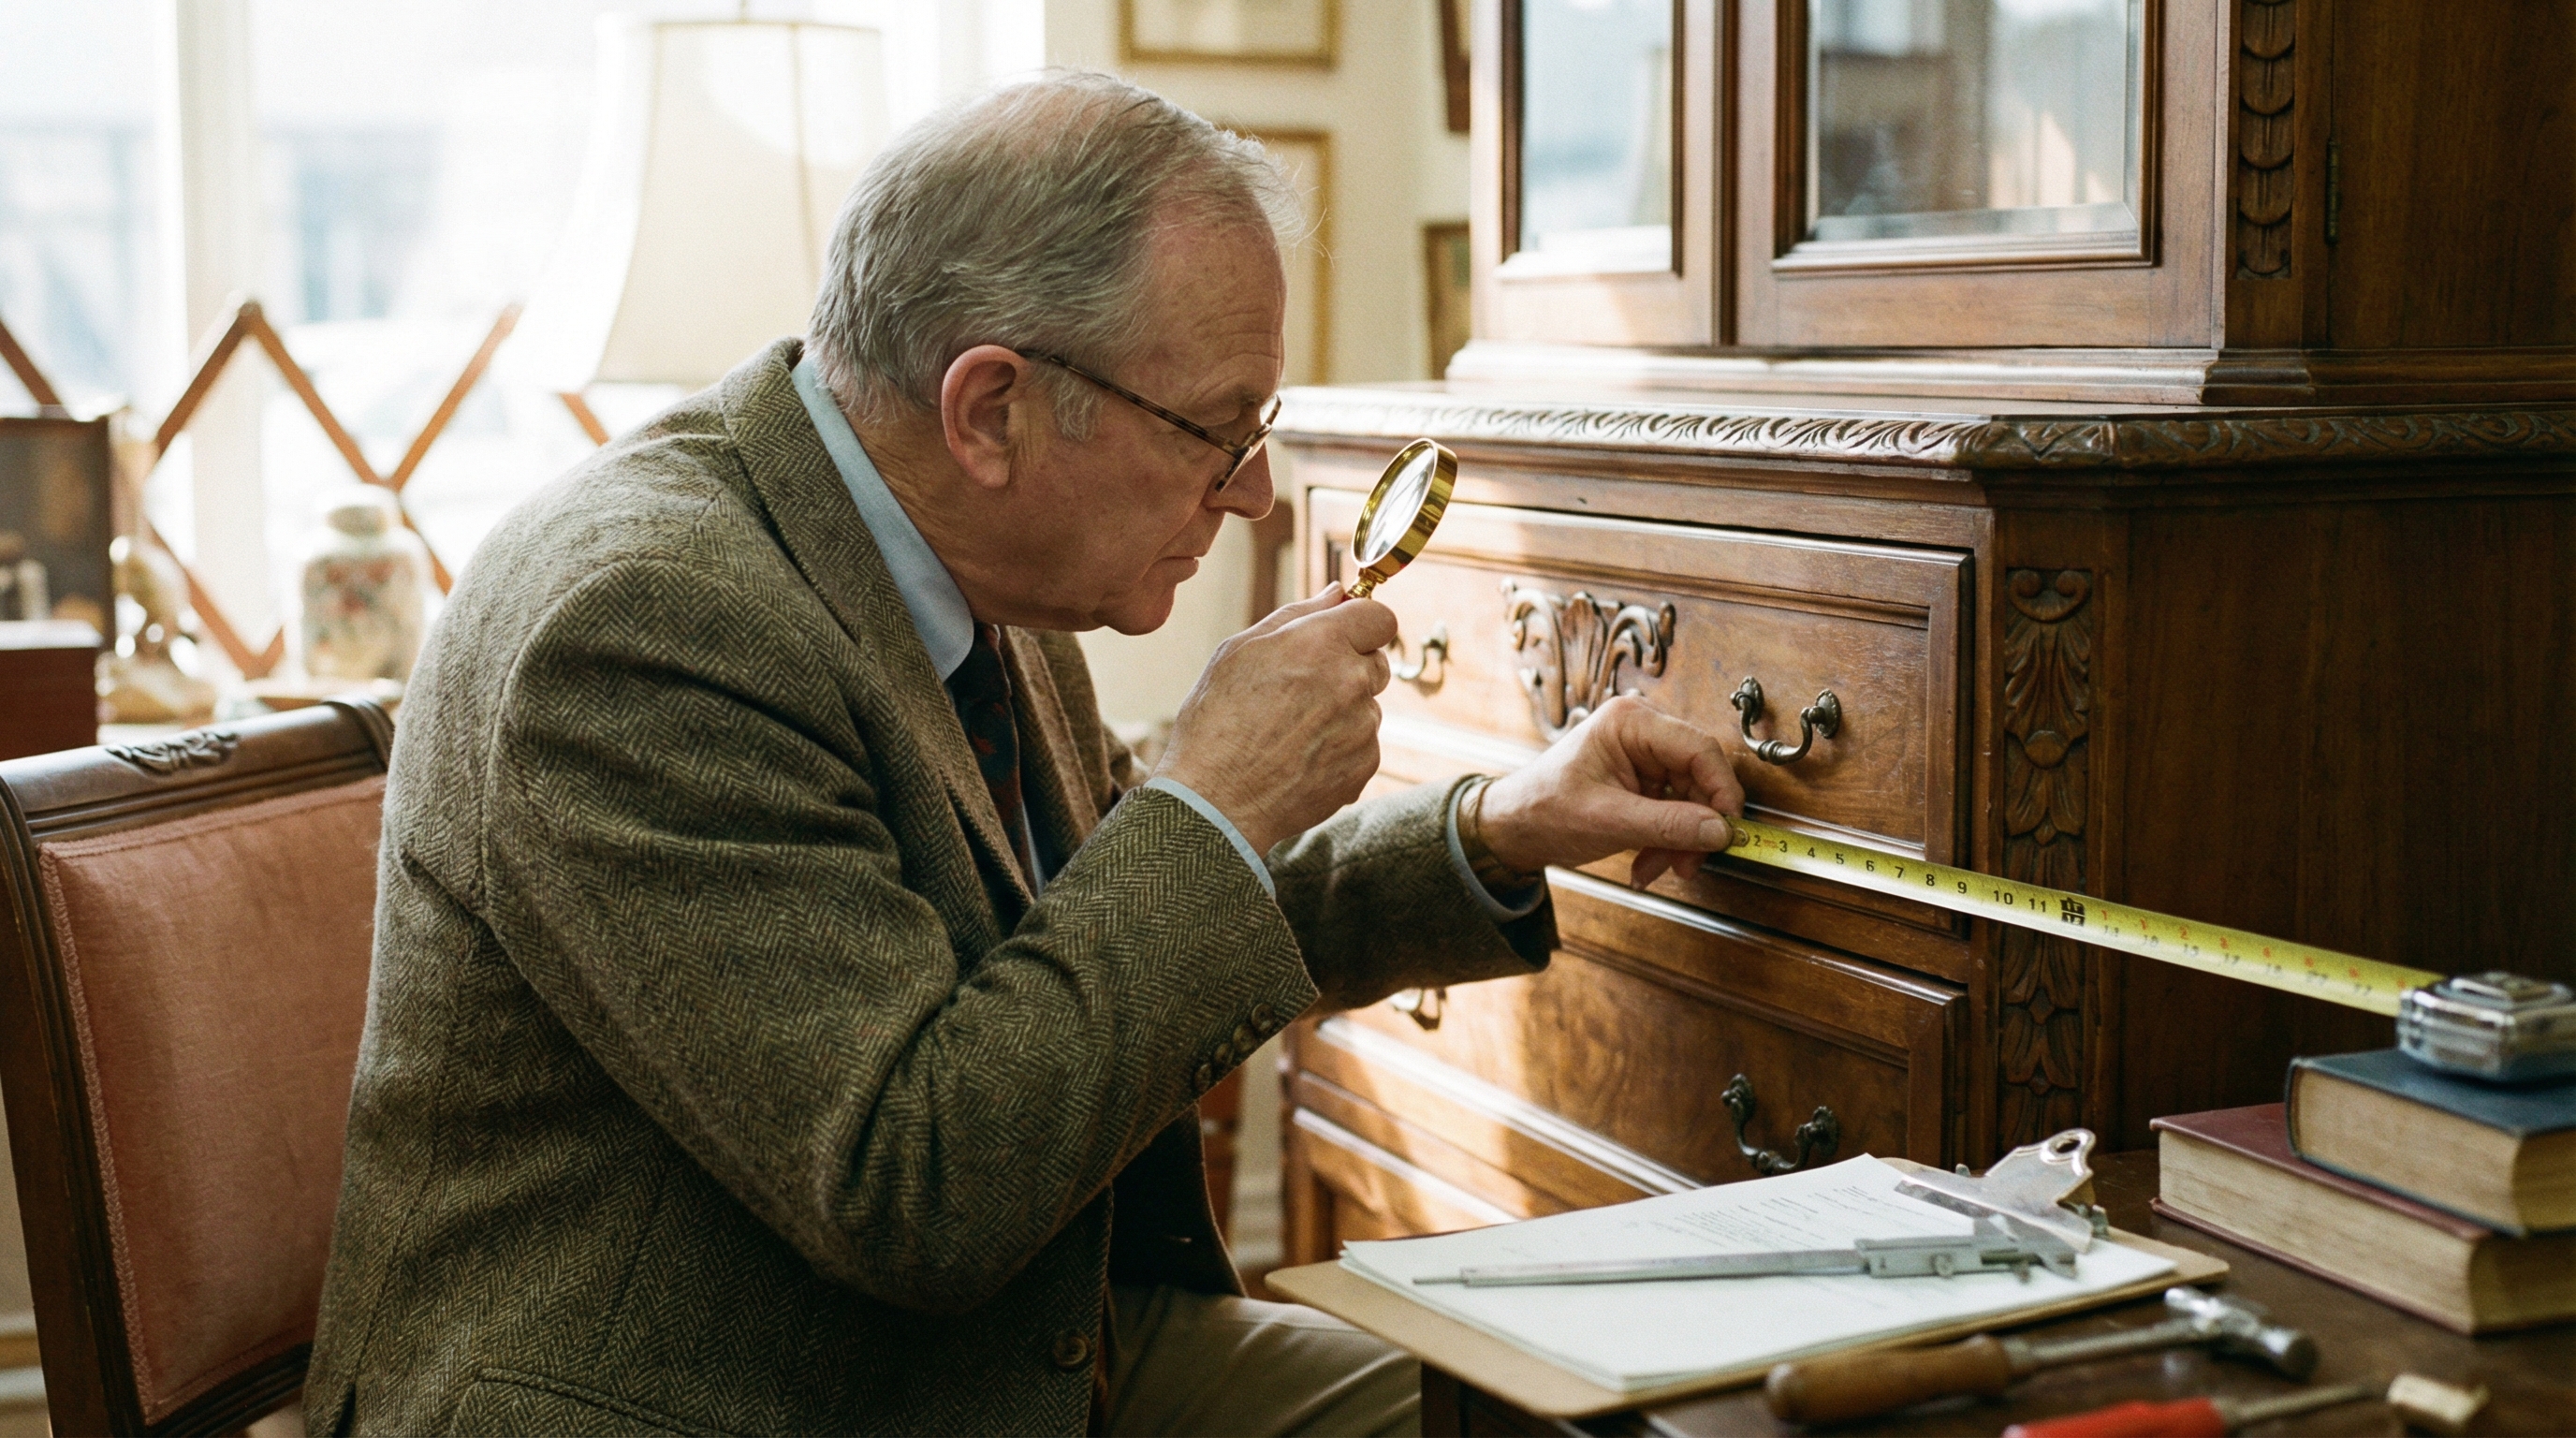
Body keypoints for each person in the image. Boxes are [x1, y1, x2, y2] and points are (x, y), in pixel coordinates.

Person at [306, 70, 1748, 1437]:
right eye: (1216, 430)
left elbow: (1133, 932)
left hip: (1010, 1343)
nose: (1250, 494)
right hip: (747, 1391)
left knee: (1566, 1422)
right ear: (989, 409)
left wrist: (1492, 827)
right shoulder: (644, 627)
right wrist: (1207, 796)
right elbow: (913, 1187)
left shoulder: (964, 560)